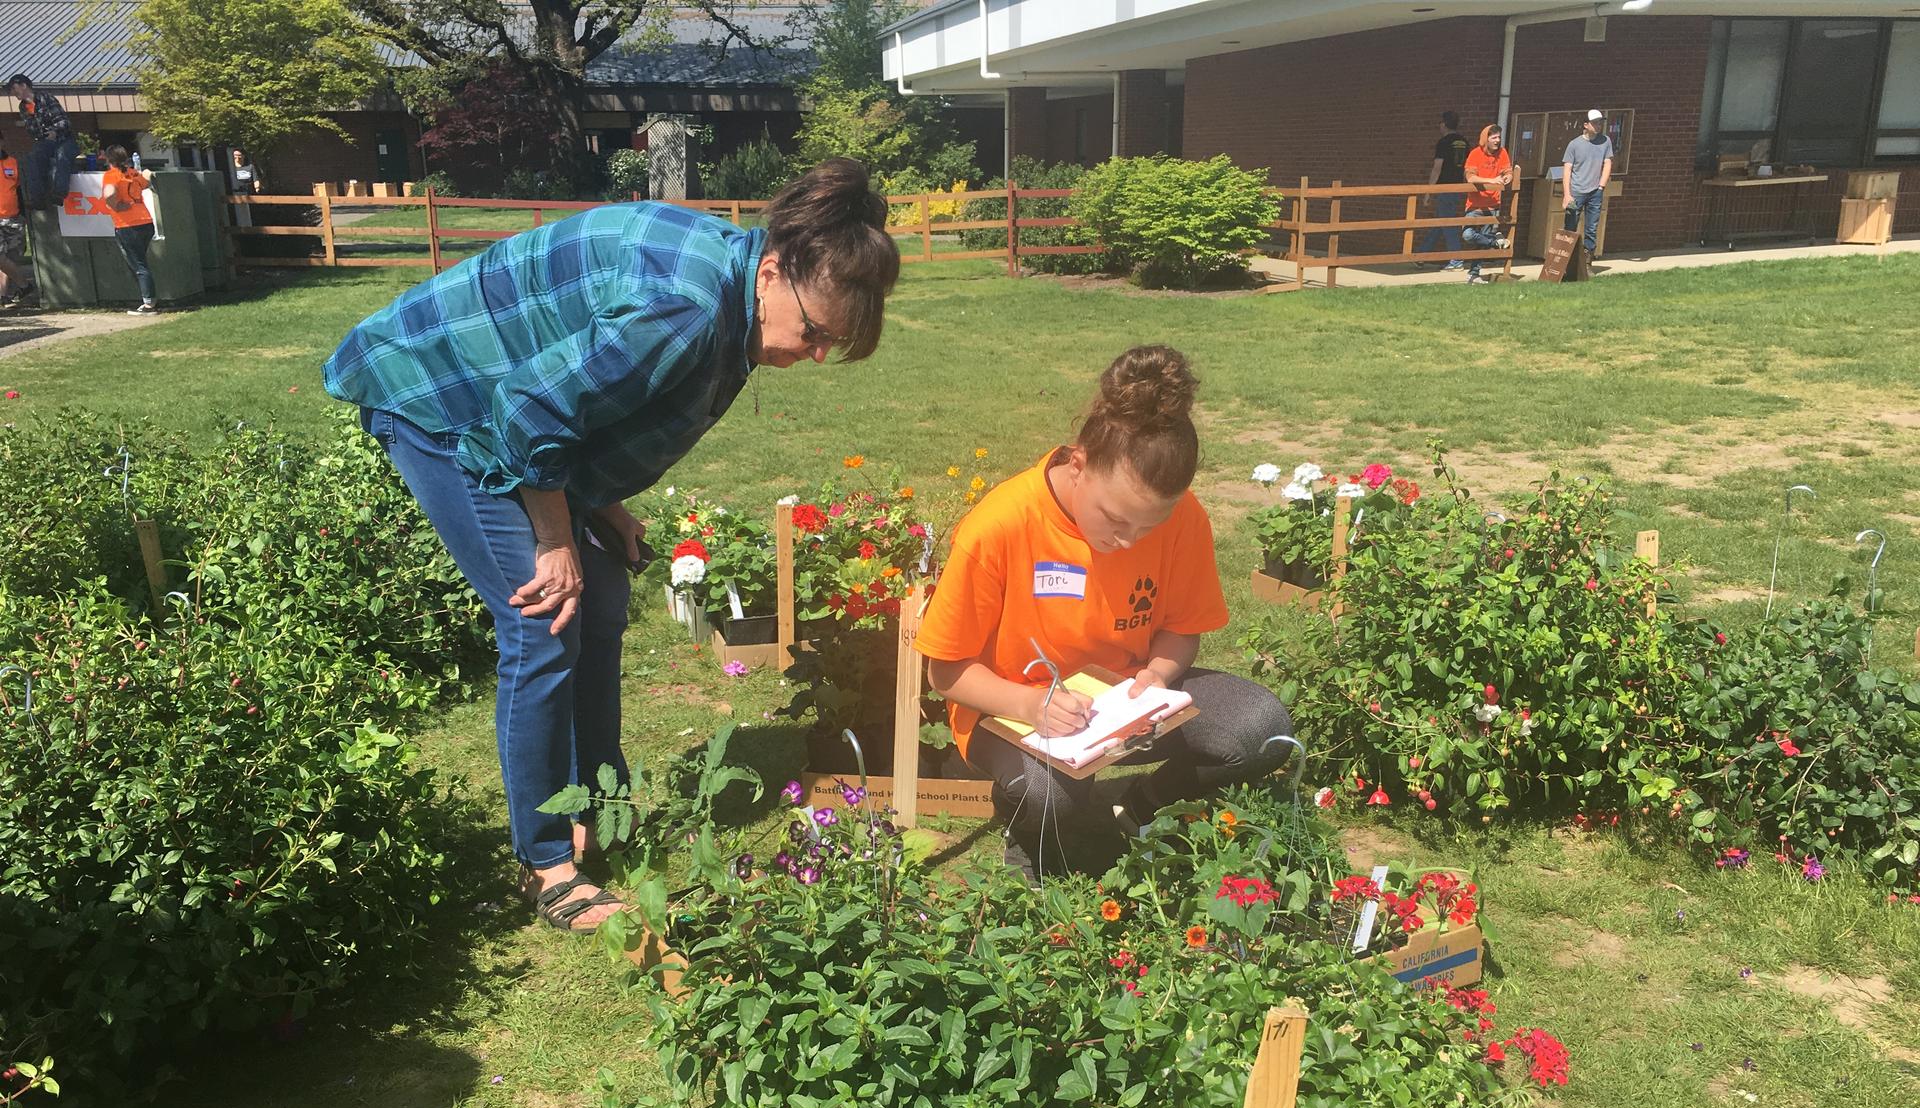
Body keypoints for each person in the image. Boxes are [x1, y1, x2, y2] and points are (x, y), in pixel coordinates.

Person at [322, 158, 900, 934]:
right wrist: (558, 537)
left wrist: (604, 503)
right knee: (543, 617)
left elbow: (587, 391)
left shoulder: (731, 283)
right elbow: (528, 411)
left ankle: (599, 807)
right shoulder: (687, 310)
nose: (817, 354)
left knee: (605, 597)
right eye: (816, 331)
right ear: (772, 273)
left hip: (503, 401)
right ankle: (546, 862)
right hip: (439, 396)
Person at [916, 345, 1296, 881]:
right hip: (1011, 711)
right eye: (1116, 520)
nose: (1127, 541)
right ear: (1079, 464)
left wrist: (1158, 674)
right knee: (1049, 792)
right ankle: (1029, 836)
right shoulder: (1000, 525)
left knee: (1261, 726)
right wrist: (1031, 702)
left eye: (1147, 528)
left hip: (1124, 707)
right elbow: (946, 672)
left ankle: (1142, 808)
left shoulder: (1184, 519)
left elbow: (1183, 629)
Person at [5, 74, 76, 213]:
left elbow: (64, 121)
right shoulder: (23, 107)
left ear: (24, 85)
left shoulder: (46, 98)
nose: (13, 93)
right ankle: (37, 199)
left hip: (64, 139)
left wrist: (54, 131)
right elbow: (32, 131)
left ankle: (59, 193)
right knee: (33, 158)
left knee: (62, 156)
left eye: (14, 88)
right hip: (45, 142)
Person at [99, 146, 157, 315]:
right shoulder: (133, 173)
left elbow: (109, 193)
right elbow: (146, 182)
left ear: (109, 159)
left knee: (139, 265)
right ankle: (146, 298)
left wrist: (115, 205)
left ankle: (149, 304)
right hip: (146, 222)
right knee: (140, 263)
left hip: (127, 225)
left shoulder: (110, 175)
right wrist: (147, 172)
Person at [1415, 110, 1471, 266]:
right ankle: (1421, 255)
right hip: (1457, 187)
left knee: (1447, 223)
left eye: (1440, 122)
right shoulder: (1464, 142)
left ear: (1444, 124)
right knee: (1440, 223)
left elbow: (1436, 168)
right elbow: (1467, 166)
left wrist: (1428, 192)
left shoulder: (1443, 142)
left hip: (1444, 188)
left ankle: (1456, 259)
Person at [1460, 124, 1514, 285]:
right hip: (1475, 205)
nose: (1497, 141)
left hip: (1493, 204)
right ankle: (1495, 241)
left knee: (1481, 244)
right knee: (1468, 235)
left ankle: (1474, 274)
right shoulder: (1475, 154)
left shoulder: (1502, 153)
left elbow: (1507, 171)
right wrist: (1491, 180)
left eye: (1499, 137)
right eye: (1494, 138)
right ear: (1486, 139)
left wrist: (1507, 177)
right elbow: (1470, 178)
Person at [1561, 109, 1615, 263]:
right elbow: (1567, 169)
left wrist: (1601, 187)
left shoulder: (1605, 141)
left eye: (1600, 122)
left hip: (1595, 192)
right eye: (1595, 123)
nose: (1598, 125)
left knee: (1591, 228)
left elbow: (1607, 163)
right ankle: (1566, 260)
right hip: (1576, 191)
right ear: (1586, 125)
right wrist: (1567, 194)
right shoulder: (1574, 144)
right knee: (1570, 226)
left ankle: (1587, 260)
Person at [0, 147, 31, 307]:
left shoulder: (13, 163)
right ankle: (24, 284)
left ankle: (3, 296)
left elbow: (20, 189)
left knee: (9, 259)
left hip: (13, 217)